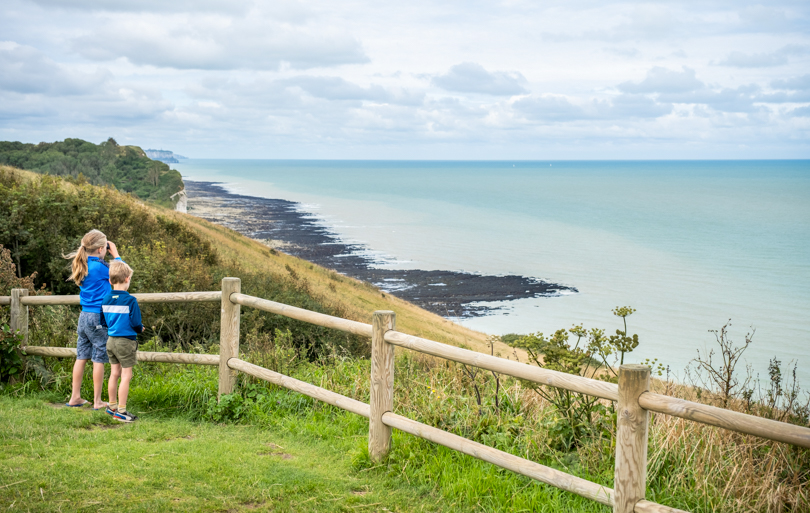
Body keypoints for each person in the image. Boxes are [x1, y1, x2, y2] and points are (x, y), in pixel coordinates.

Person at [63, 230, 122, 409]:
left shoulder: (82, 264)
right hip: (98, 317)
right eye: (105, 248)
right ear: (100, 249)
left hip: (84, 316)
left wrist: (107, 253)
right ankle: (97, 401)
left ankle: (75, 397)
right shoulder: (100, 267)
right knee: (98, 358)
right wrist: (116, 255)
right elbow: (122, 275)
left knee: (81, 356)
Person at [101, 260, 143, 423]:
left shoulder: (106, 298)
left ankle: (111, 406)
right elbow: (135, 323)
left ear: (110, 281)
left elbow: (103, 321)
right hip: (125, 341)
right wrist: (141, 329)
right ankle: (122, 411)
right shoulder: (130, 300)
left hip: (110, 340)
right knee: (126, 375)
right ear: (127, 279)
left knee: (114, 373)